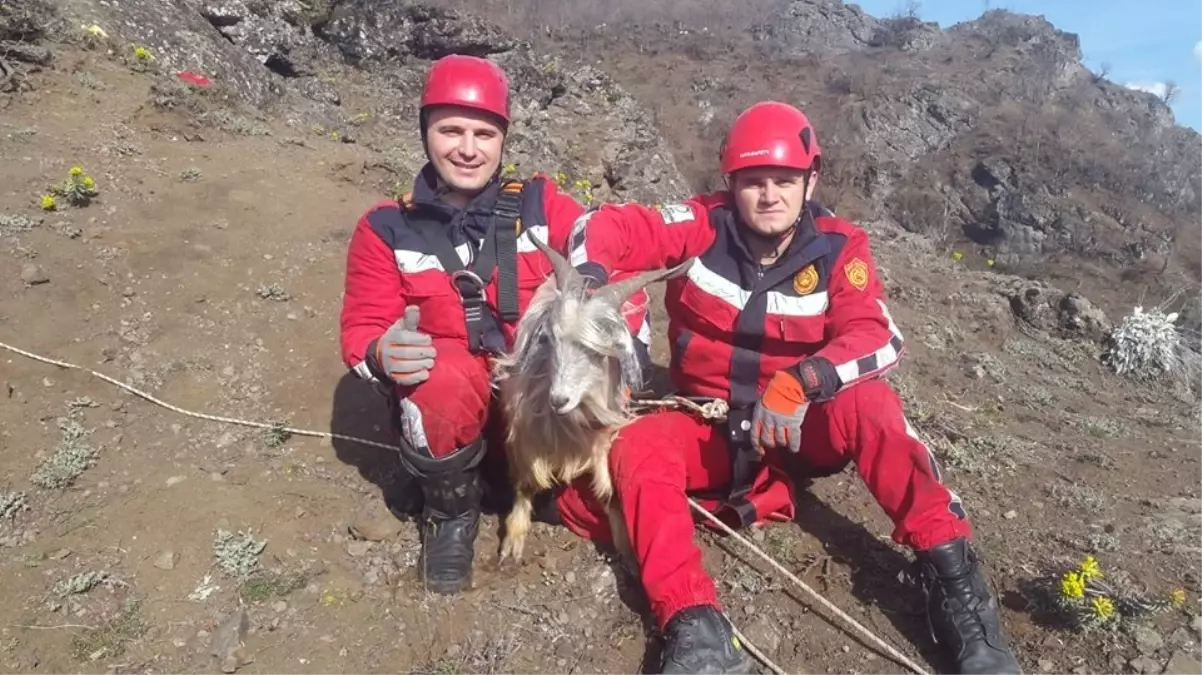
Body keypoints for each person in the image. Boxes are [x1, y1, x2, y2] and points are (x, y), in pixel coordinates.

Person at [553, 101, 1023, 675]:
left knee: (871, 402)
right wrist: (593, 282)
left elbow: (878, 336)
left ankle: (955, 584)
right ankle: (695, 628)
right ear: (731, 185)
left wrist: (804, 379)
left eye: (785, 180)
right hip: (710, 422)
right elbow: (600, 226)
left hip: (799, 428)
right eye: (754, 182)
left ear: (811, 180)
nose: (770, 195)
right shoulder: (699, 224)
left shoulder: (839, 248)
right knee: (634, 448)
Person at [337, 53, 652, 595]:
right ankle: (451, 512)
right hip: (452, 404)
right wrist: (379, 352)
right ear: (425, 133)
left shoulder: (539, 204)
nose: (467, 148)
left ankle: (532, 482)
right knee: (444, 376)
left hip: (535, 404)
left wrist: (624, 350)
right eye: (450, 130)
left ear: (502, 141)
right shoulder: (385, 228)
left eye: (484, 133)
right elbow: (363, 324)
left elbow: (605, 261)